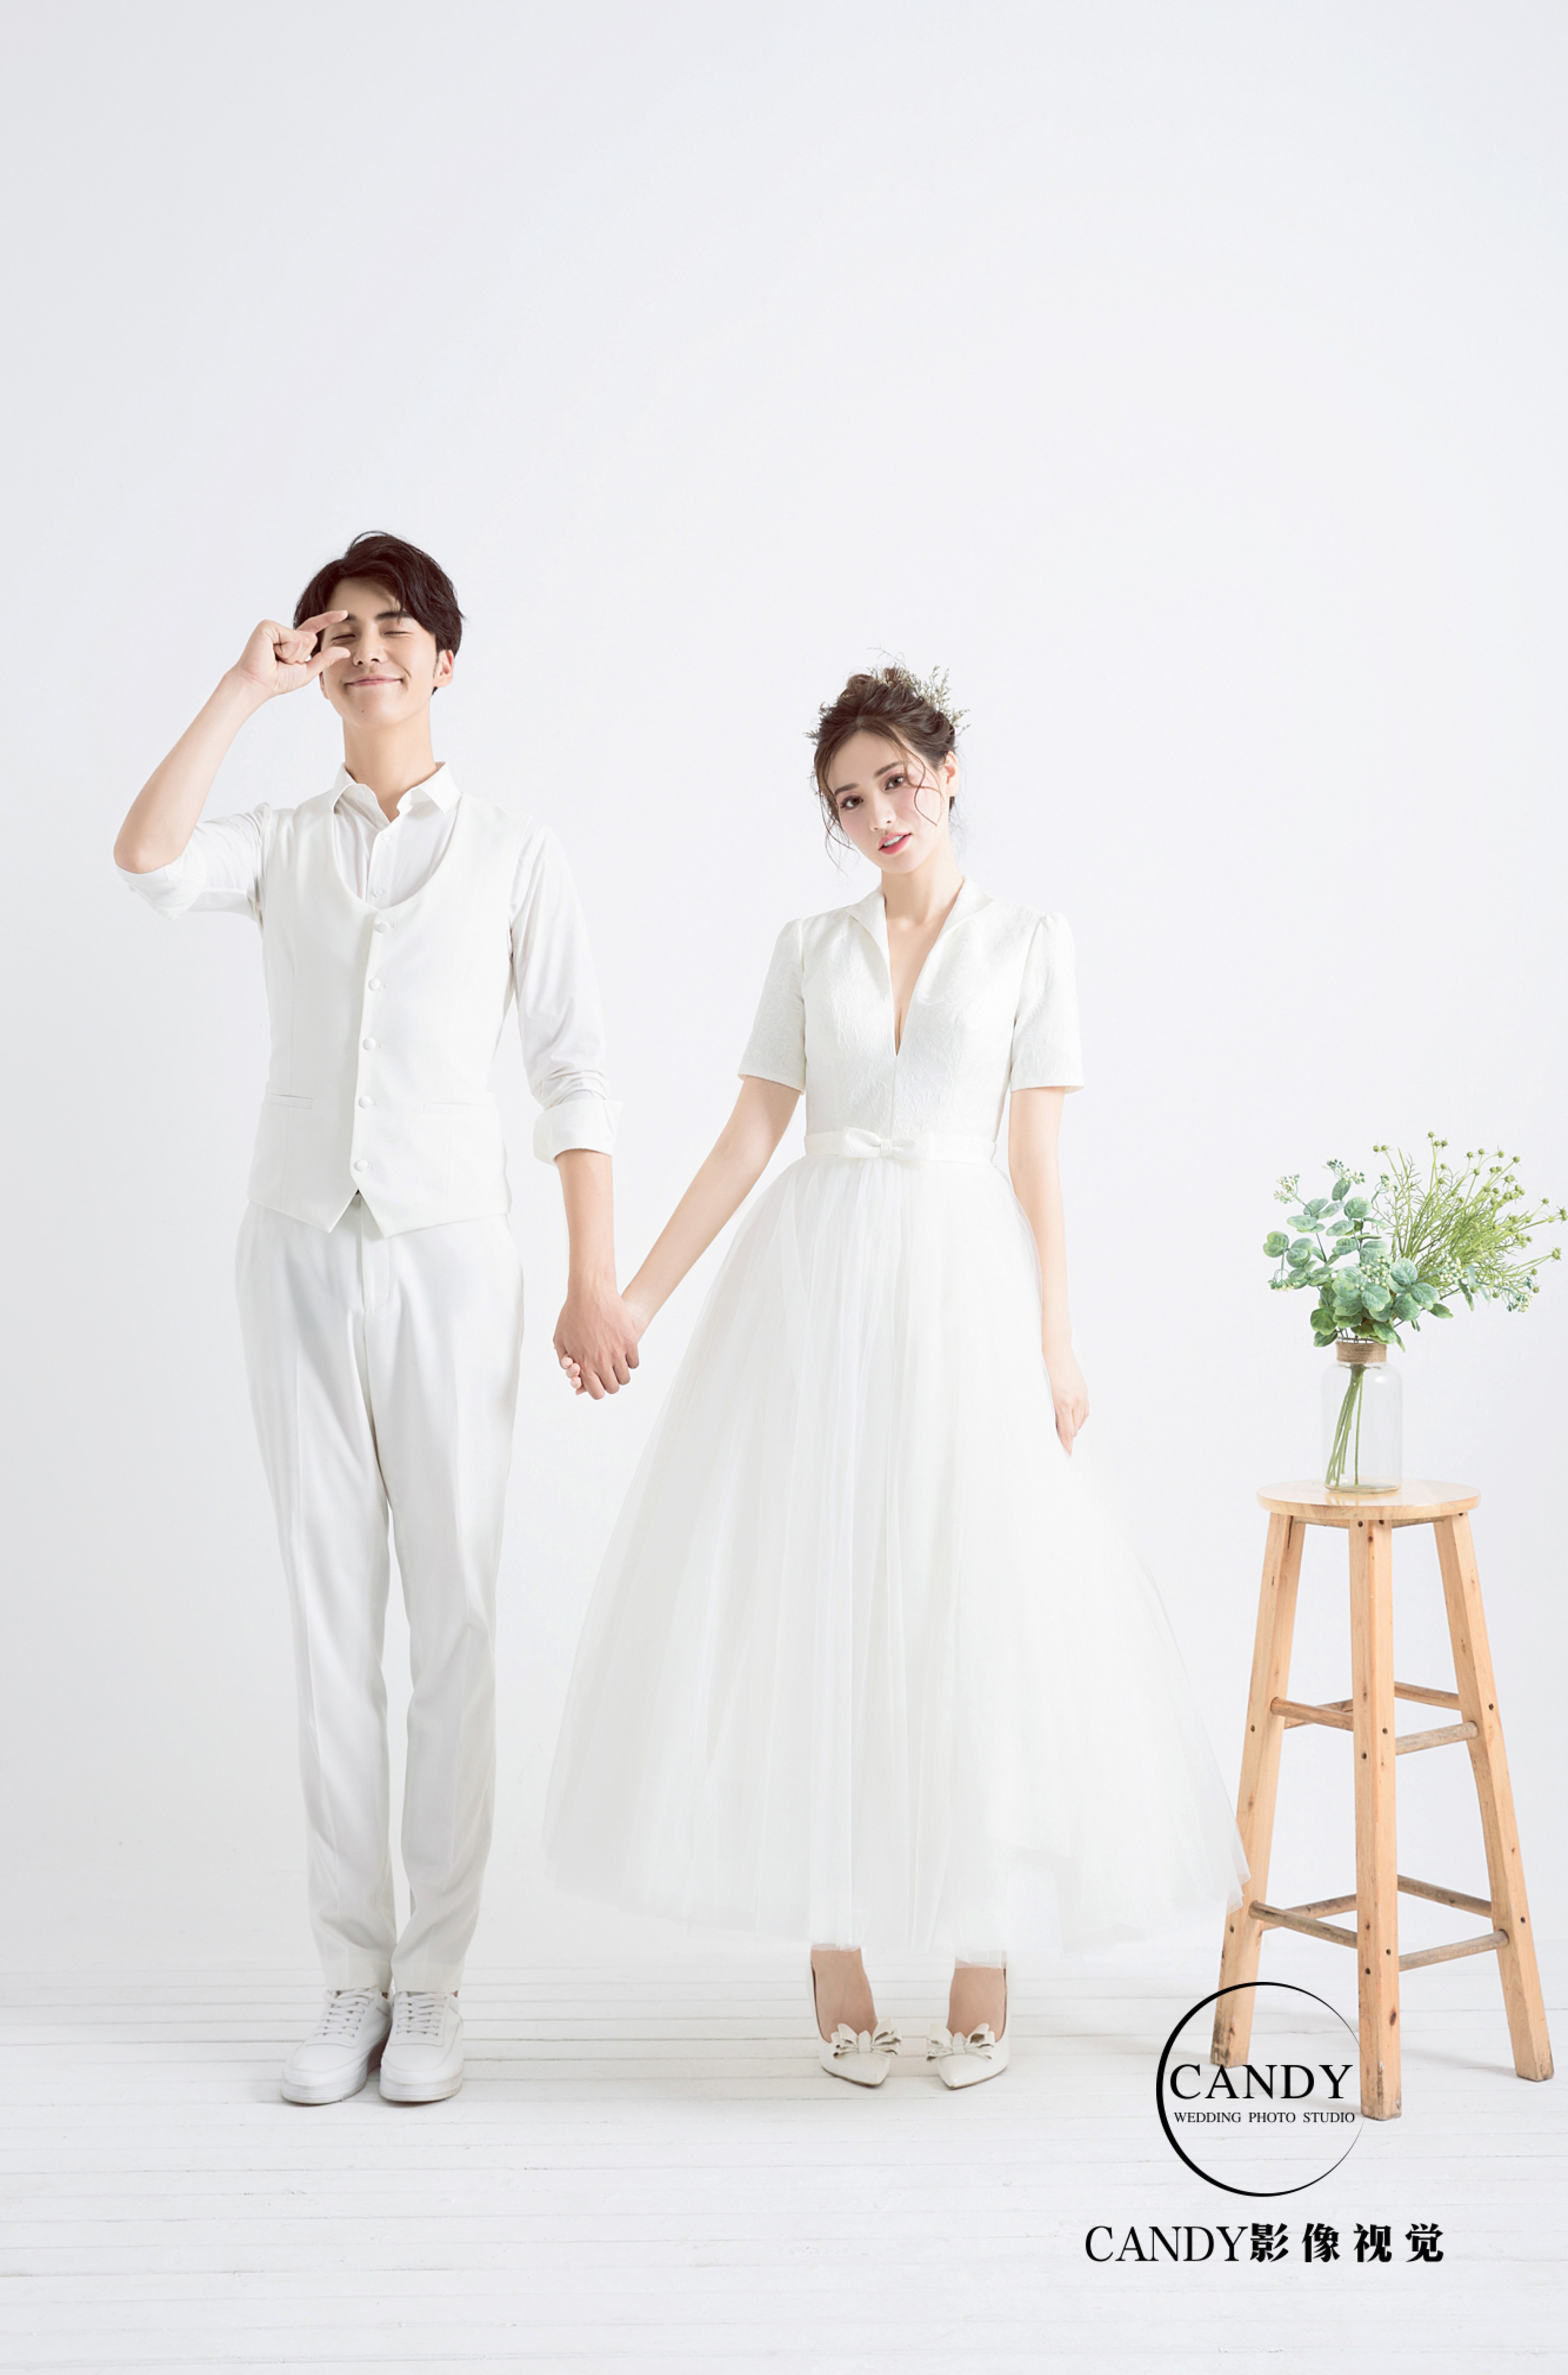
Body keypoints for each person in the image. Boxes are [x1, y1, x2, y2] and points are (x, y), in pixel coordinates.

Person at [544, 665, 1246, 2089]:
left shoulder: (1029, 942)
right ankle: (837, 1949)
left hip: (961, 1286)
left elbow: (1036, 1158)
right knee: (819, 1593)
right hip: (814, 1288)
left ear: (946, 772)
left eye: (897, 782)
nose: (879, 814)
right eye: (849, 800)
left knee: (972, 1596)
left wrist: (1056, 1336)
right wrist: (636, 1299)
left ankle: (985, 1956)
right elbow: (748, 1138)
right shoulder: (809, 949)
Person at [114, 532, 638, 2107]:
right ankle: (352, 1970)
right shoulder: (282, 840)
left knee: (453, 1624)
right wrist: (237, 690)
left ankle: (436, 1984)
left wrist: (592, 1275)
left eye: (392, 627)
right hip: (294, 1245)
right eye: (337, 631)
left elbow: (575, 1074)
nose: (363, 649)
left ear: (444, 659)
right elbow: (146, 860)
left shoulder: (516, 852)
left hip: (453, 1254)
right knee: (330, 1622)